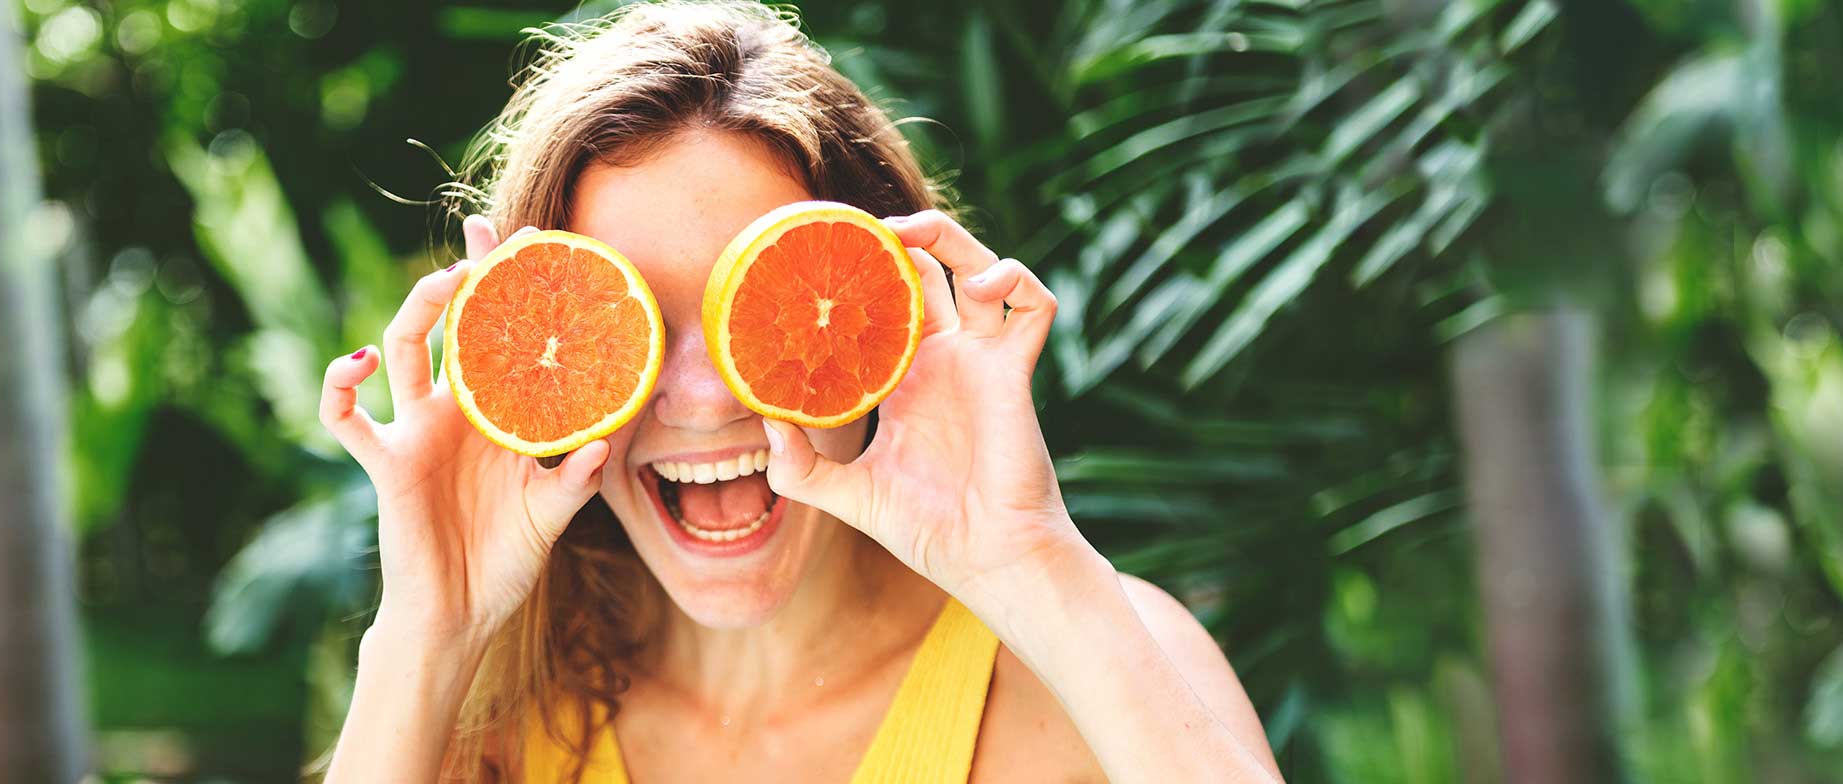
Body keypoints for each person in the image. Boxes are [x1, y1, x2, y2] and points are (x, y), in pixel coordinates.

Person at [315, 2, 1279, 781]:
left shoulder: (1099, 671)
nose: (697, 399)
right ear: (546, 370)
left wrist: (1026, 561)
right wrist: (425, 637)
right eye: (630, 323)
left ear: (882, 310)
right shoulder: (478, 723)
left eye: (762, 308)